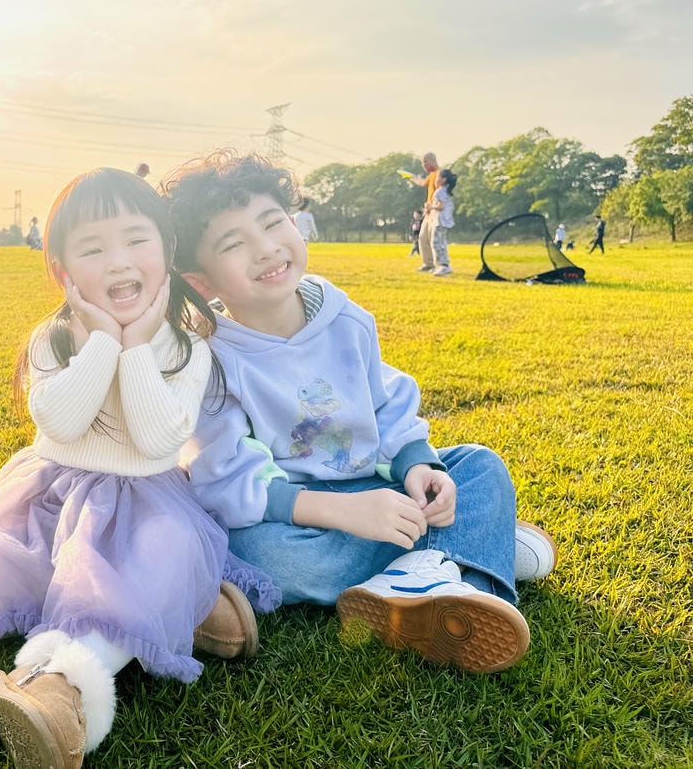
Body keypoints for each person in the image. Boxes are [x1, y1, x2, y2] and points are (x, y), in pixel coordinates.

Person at [0, 167, 278, 768]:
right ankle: (185, 612)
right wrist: (102, 342)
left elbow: (155, 437)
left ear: (167, 250)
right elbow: (62, 421)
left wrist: (138, 344)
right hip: (49, 498)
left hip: (147, 503)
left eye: (135, 240)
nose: (118, 261)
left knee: (158, 557)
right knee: (30, 572)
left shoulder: (186, 346)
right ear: (64, 272)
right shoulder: (53, 339)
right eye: (93, 249)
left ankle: (57, 689)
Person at [161, 150, 558, 675]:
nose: (266, 248)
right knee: (263, 555)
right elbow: (228, 480)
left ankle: (448, 582)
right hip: (297, 515)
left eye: (273, 222)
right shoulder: (210, 357)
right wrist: (344, 512)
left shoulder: (345, 317)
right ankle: (468, 549)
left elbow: (386, 401)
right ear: (203, 280)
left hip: (377, 487)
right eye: (234, 244)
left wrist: (420, 466)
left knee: (478, 464)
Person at [408, 152, 441, 272]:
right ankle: (428, 264)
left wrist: (432, 206)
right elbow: (422, 183)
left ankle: (440, 266)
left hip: (436, 211)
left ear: (432, 160)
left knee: (434, 239)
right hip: (428, 212)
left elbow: (442, 195)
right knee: (422, 238)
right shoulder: (431, 175)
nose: (423, 165)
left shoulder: (440, 174)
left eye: (425, 162)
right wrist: (411, 177)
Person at [428, 169, 456, 276]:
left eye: (437, 177)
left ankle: (444, 266)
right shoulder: (447, 191)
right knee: (442, 243)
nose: (435, 180)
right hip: (445, 221)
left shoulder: (439, 192)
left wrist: (431, 207)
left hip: (440, 221)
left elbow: (441, 206)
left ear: (443, 180)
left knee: (436, 243)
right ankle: (443, 265)